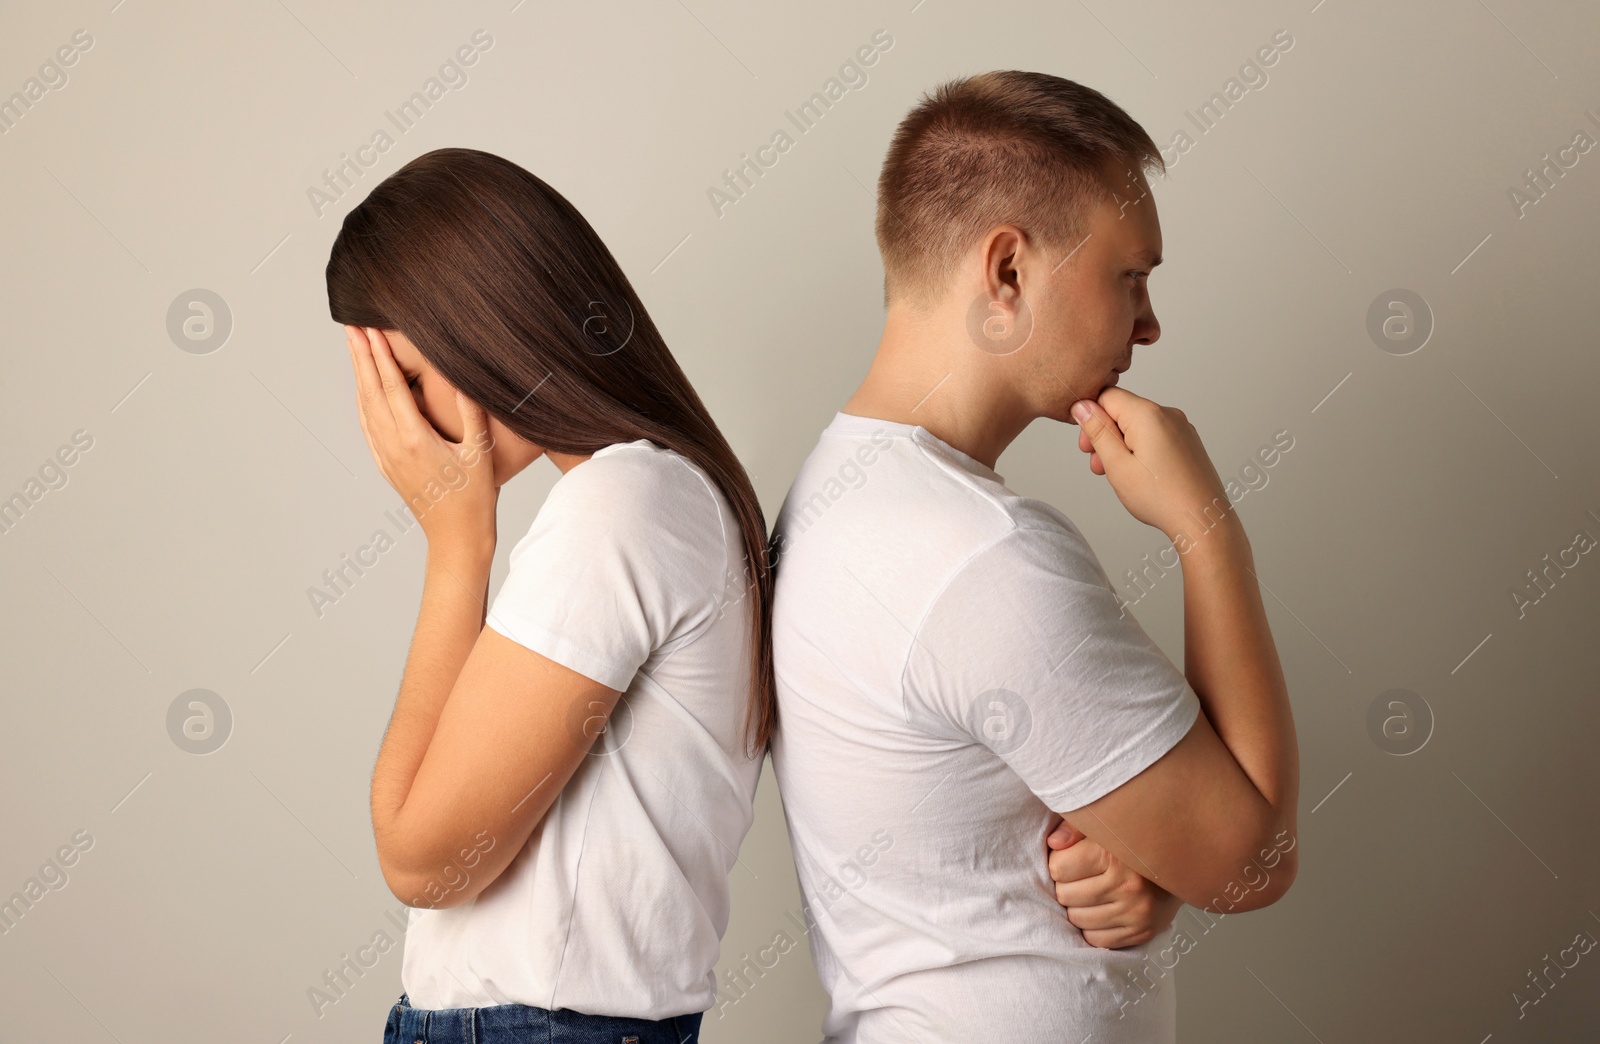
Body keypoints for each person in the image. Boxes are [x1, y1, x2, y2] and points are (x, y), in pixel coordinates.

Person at [767, 70, 1301, 1042]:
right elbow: (1250, 862)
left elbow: (979, 833)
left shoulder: (830, 496)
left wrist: (1151, 870)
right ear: (1007, 271)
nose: (1147, 325)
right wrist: (1207, 530)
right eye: (1128, 277)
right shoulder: (980, 554)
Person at [324, 147, 774, 1044]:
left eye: (408, 380)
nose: (399, 425)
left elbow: (424, 860)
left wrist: (457, 540)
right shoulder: (658, 496)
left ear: (483, 323)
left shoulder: (623, 503)